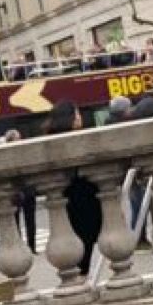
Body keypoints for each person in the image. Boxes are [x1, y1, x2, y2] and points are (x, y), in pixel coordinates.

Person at [44, 101, 101, 275]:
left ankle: (80, 272)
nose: (80, 118)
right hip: (83, 194)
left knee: (79, 238)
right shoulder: (78, 139)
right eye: (77, 114)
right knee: (86, 237)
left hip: (68, 196)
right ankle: (82, 273)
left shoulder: (50, 140)